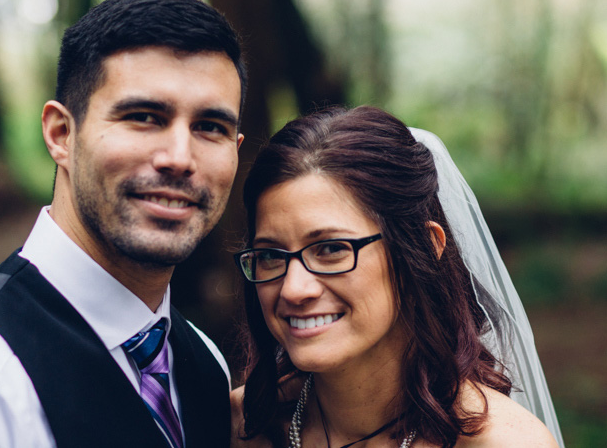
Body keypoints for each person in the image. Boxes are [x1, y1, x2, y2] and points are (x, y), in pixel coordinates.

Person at [0, 0, 245, 448]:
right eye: (144, 117)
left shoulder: (205, 365)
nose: (180, 158)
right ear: (61, 134)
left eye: (210, 127)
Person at [230, 106, 563, 447]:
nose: (294, 289)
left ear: (423, 248)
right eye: (271, 255)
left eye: (331, 249)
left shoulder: (502, 442)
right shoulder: (243, 424)